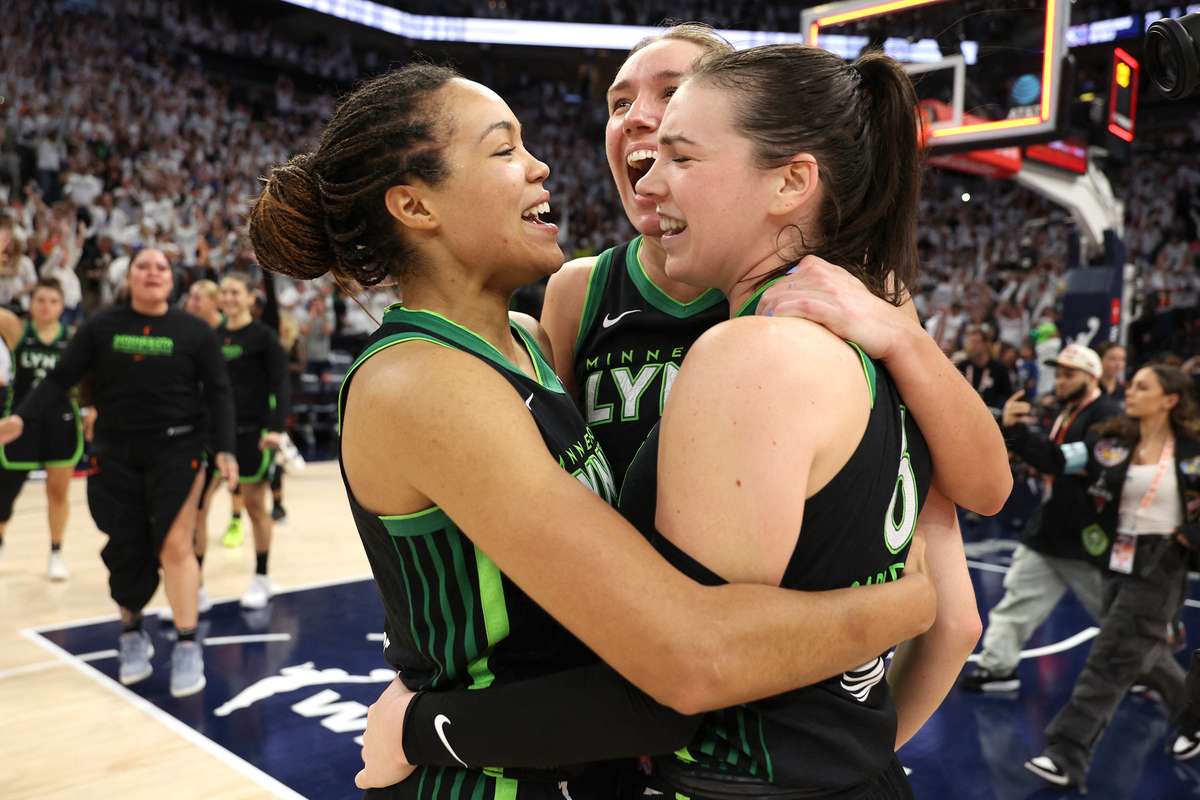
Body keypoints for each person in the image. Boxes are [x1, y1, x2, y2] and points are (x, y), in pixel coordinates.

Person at [248, 63, 941, 799]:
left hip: (584, 761)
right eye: (503, 149)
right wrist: (901, 605)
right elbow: (684, 660)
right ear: (417, 205)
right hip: (489, 778)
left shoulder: (526, 343)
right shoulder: (419, 382)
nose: (540, 164)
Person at [542, 22, 1008, 511]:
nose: (636, 116)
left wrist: (904, 337)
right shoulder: (581, 289)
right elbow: (566, 481)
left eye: (672, 92)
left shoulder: (842, 287)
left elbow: (977, 490)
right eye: (619, 103)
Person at [0, 248, 237, 697]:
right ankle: (131, 632)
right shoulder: (100, 327)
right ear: (128, 279)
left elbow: (219, 391)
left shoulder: (194, 332)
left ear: (173, 281)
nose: (152, 273)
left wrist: (225, 448)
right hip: (115, 451)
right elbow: (58, 380)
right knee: (127, 547)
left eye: (161, 267)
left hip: (179, 448)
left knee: (175, 544)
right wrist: (22, 420)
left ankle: (188, 645)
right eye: (142, 267)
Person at [1025, 364, 1200, 789]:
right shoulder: (1112, 441)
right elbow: (1058, 459)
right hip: (1114, 558)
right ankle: (1195, 719)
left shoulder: (1192, 449)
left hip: (1162, 561)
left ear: (1169, 399)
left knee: (1111, 658)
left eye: (1143, 387)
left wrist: (1184, 537)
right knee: (1142, 655)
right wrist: (1016, 434)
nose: (1130, 391)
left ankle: (1067, 753)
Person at [961, 344, 1122, 692]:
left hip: (1086, 538)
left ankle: (1148, 672)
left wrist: (1015, 432)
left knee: (1116, 617)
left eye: (1069, 374)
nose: (1060, 381)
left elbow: (1062, 462)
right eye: (1059, 374)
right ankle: (997, 668)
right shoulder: (1065, 412)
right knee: (1016, 598)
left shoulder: (1107, 416)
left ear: (1092, 376)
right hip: (1050, 529)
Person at [214, 272, 290, 608]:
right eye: (224, 292)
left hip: (252, 432)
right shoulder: (212, 337)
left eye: (235, 292)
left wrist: (276, 429)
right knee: (198, 505)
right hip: (216, 435)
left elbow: (281, 385)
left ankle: (261, 576)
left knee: (256, 506)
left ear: (249, 298)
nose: (228, 297)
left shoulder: (263, 337)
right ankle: (195, 586)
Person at [0, 279, 82, 580]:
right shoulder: (17, 330)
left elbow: (91, 378)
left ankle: (56, 552)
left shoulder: (73, 339)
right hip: (20, 422)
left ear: (63, 307)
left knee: (58, 491)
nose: (46, 306)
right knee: (5, 491)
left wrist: (94, 409)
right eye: (40, 300)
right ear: (30, 304)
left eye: (53, 301)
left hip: (61, 422)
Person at [959, 325, 1012, 413]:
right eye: (970, 342)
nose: (972, 346)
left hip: (992, 415)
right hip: (966, 412)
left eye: (976, 342)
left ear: (986, 344)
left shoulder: (999, 369)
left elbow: (1007, 396)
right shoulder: (962, 367)